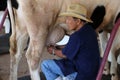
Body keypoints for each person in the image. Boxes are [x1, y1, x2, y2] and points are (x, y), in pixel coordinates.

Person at [41, 3, 100, 80]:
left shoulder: (77, 36)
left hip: (81, 74)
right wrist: (58, 47)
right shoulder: (89, 30)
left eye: (69, 19)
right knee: (61, 64)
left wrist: (53, 51)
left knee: (45, 65)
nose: (66, 21)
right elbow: (76, 47)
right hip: (92, 72)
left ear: (78, 21)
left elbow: (65, 54)